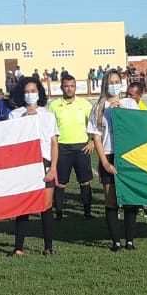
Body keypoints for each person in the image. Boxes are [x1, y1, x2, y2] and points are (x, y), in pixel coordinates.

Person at [89, 71, 143, 252]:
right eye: (110, 81)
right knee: (111, 200)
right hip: (109, 154)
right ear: (105, 84)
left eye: (117, 81)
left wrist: (123, 110)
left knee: (129, 199)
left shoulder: (130, 103)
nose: (114, 84)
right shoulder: (98, 107)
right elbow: (96, 137)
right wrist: (104, 162)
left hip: (128, 155)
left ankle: (130, 240)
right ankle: (115, 241)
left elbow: (139, 128)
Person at [7, 78, 59, 256]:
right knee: (24, 207)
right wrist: (24, 120)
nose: (30, 94)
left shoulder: (48, 115)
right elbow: (10, 140)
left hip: (43, 162)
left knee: (46, 206)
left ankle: (48, 246)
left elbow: (53, 143)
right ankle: (18, 247)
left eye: (33, 91)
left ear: (39, 93)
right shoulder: (15, 115)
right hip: (24, 164)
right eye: (27, 91)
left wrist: (53, 167)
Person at [47, 73, 94, 220]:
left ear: (75, 87)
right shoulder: (53, 105)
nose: (69, 89)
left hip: (82, 147)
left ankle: (87, 212)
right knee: (60, 183)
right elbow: (48, 128)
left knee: (85, 181)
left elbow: (94, 125)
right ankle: (59, 213)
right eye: (66, 86)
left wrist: (92, 141)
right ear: (61, 87)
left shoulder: (85, 104)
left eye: (72, 86)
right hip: (62, 147)